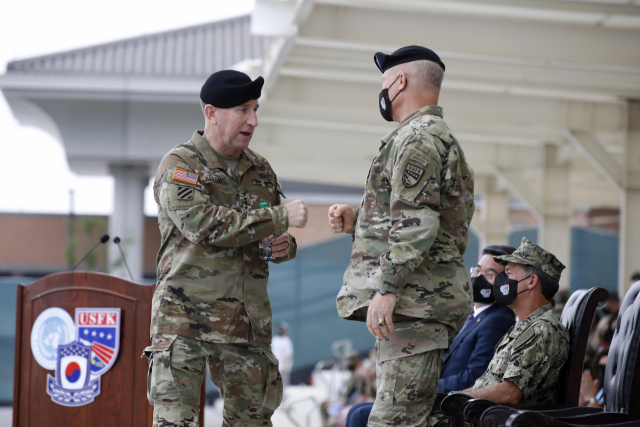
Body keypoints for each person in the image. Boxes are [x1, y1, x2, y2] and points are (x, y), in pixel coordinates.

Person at [144, 70, 309, 427]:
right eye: (242, 109)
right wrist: (281, 218)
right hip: (185, 322)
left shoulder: (261, 170)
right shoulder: (181, 165)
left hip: (246, 326)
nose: (253, 119)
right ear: (211, 112)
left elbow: (265, 235)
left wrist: (283, 246)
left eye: (254, 109)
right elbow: (203, 225)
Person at [329, 45, 475, 427]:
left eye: (383, 81)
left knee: (392, 423)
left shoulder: (417, 140)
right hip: (419, 305)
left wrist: (387, 289)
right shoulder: (427, 136)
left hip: (416, 304)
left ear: (399, 81)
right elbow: (426, 217)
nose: (381, 90)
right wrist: (360, 220)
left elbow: (417, 225)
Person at [345, 245, 516, 427]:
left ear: (504, 284)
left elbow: (475, 376)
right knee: (357, 410)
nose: (477, 277)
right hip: (436, 399)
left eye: (489, 275)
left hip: (450, 407)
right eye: (477, 270)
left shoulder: (498, 319)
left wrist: (426, 387)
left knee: (361, 415)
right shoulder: (473, 316)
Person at [428, 237, 570, 426]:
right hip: (471, 414)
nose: (500, 282)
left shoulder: (541, 329)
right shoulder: (523, 327)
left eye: (509, 273)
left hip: (483, 418)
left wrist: (456, 398)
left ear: (531, 281)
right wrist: (455, 398)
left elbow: (510, 392)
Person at [271, 321, 294, 386]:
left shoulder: (287, 341)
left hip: (282, 369)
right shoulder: (274, 339)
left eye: (282, 329)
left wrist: (286, 368)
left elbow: (288, 356)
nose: (280, 330)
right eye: (279, 329)